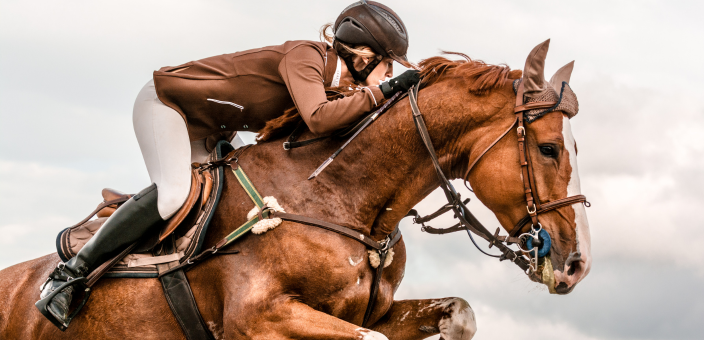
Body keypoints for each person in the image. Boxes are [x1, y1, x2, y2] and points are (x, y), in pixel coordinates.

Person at [36, 0, 421, 328]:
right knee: (174, 196)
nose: (389, 76)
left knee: (234, 203)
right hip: (169, 107)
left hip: (214, 129)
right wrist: (384, 91)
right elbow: (320, 118)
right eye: (389, 67)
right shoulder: (307, 56)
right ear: (364, 56)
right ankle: (69, 277)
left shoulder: (342, 86)